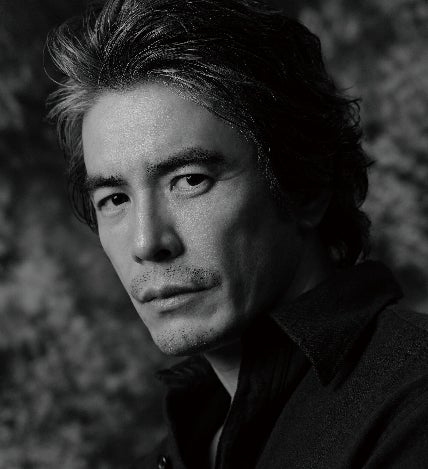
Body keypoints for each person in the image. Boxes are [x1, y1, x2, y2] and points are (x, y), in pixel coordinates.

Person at [46, 0, 428, 467]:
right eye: (114, 199)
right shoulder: (179, 449)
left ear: (306, 186)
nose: (147, 243)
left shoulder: (414, 403)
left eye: (190, 180)